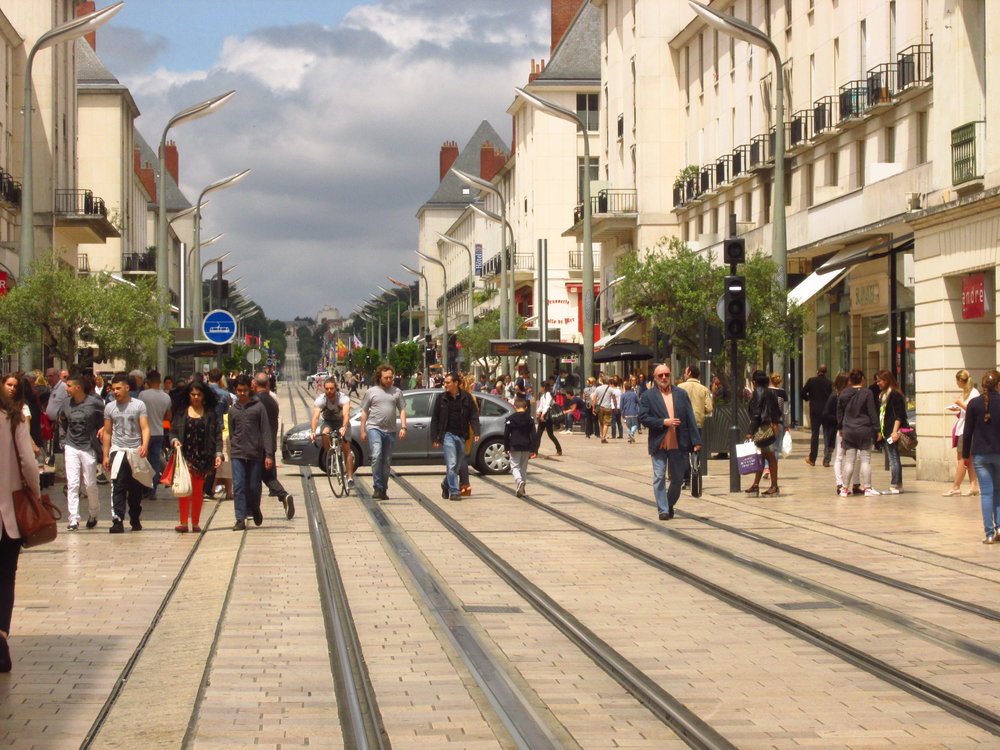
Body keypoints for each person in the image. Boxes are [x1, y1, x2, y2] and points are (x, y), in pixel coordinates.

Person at [1, 382, 42, 673]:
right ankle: (1, 637)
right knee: (5, 578)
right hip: (9, 518)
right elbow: (28, 463)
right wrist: (35, 497)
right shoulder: (12, 418)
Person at [639, 364, 701, 520]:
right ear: (655, 378)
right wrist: (663, 422)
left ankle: (668, 503)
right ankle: (663, 510)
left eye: (666, 374)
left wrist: (696, 440)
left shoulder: (681, 394)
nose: (664, 378)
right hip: (659, 443)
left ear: (671, 375)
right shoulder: (648, 396)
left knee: (678, 479)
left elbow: (690, 418)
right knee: (659, 477)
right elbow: (643, 418)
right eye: (660, 375)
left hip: (678, 443)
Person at [169, 381, 223, 533]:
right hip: (184, 457)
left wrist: (218, 454)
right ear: (188, 395)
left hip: (203, 458)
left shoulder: (210, 414)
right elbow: (172, 432)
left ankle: (196, 522)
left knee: (198, 491)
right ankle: (183, 522)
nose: (196, 397)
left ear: (204, 396)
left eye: (199, 395)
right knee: (184, 489)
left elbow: (217, 435)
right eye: (193, 394)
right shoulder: (181, 412)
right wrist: (174, 441)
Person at [102, 372, 152, 533]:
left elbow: (144, 427)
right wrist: (105, 454)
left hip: (135, 451)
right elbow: (108, 432)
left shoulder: (138, 405)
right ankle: (117, 520)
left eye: (118, 388)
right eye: (113, 389)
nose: (115, 392)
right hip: (118, 451)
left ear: (127, 388)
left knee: (135, 488)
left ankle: (135, 517)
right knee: (118, 486)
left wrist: (144, 445)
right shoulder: (109, 407)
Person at [228, 374, 274, 530]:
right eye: (239, 390)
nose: (242, 393)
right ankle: (240, 518)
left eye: (245, 390)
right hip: (238, 453)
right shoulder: (232, 410)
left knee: (254, 486)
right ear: (235, 390)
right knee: (239, 485)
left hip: (255, 453)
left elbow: (266, 431)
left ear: (250, 390)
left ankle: (255, 507)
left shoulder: (258, 407)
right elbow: (232, 431)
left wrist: (268, 454)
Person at [59, 375, 104, 530]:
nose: (66, 388)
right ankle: (73, 519)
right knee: (72, 483)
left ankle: (93, 513)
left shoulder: (95, 403)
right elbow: (62, 420)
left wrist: (103, 429)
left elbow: (106, 418)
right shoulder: (66, 403)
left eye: (69, 385)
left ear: (78, 387)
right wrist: (64, 438)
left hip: (88, 446)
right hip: (71, 445)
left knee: (90, 483)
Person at [962, 370, 1000, 543]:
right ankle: (999, 527)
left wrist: (965, 456)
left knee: (986, 494)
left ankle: (989, 534)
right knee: (999, 492)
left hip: (980, 455)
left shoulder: (974, 404)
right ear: (998, 385)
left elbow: (967, 432)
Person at [430, 372, 480, 501]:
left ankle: (445, 483)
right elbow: (435, 418)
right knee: (451, 464)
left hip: (462, 435)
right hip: (448, 435)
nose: (445, 385)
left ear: (456, 383)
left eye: (447, 382)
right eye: (444, 382)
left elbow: (473, 416)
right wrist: (435, 437)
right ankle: (454, 491)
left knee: (457, 465)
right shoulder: (442, 398)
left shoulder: (466, 398)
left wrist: (477, 431)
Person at [359, 365, 407, 500]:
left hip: (390, 430)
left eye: (391, 377)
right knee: (376, 455)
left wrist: (404, 427)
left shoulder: (396, 391)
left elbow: (402, 409)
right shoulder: (371, 392)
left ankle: (383, 488)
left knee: (386, 461)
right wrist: (362, 430)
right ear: (379, 378)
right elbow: (364, 411)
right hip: (374, 428)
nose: (389, 380)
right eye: (386, 378)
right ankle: (377, 486)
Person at [254, 372, 296, 517]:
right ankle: (282, 495)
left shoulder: (255, 401)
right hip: (269, 443)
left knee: (253, 478)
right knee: (267, 476)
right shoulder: (272, 400)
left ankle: (253, 510)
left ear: (254, 385)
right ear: (268, 385)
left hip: (257, 445)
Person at [837, 369, 880, 497]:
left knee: (849, 460)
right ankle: (868, 487)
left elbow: (839, 412)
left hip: (849, 429)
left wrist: (840, 427)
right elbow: (872, 412)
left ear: (850, 380)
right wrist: (877, 429)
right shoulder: (867, 393)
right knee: (866, 460)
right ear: (862, 378)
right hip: (864, 429)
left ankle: (844, 488)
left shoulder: (844, 393)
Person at [310, 376, 354, 495]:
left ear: (336, 388)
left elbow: (346, 414)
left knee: (346, 448)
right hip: (328, 422)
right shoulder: (321, 399)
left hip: (341, 422)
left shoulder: (343, 398)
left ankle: (350, 477)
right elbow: (315, 417)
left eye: (331, 389)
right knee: (324, 433)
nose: (329, 391)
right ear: (324, 389)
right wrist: (313, 431)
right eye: (327, 389)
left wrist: (344, 427)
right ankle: (330, 453)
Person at [745, 369, 782, 496]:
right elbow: (777, 410)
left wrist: (750, 431)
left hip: (762, 428)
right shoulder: (770, 391)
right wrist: (775, 423)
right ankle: (756, 485)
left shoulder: (759, 392)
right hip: (768, 426)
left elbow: (756, 412)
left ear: (754, 382)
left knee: (769, 456)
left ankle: (774, 486)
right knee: (762, 456)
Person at [944, 368, 980, 497]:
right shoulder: (966, 393)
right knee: (968, 460)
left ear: (960, 380)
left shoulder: (974, 393)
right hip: (962, 428)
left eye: (957, 381)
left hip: (967, 430)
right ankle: (973, 486)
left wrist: (960, 404)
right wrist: (958, 408)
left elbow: (974, 410)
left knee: (962, 459)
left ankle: (956, 486)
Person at [138, 370, 172, 499]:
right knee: (155, 461)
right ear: (160, 381)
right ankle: (153, 490)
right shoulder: (166, 397)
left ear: (148, 381)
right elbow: (168, 416)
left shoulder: (143, 395)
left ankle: (144, 487)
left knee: (142, 461)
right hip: (159, 432)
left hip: (144, 433)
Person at [677, 364, 713, 487]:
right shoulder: (703, 389)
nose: (684, 373)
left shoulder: (680, 387)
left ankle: (686, 481)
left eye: (686, 371)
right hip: (697, 423)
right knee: (695, 450)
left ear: (690, 373)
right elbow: (709, 408)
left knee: (683, 452)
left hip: (682, 424)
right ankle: (696, 473)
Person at [875, 369, 908, 494]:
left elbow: (899, 415)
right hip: (886, 430)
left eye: (880, 381)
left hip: (892, 431)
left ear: (887, 380)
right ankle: (897, 483)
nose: (878, 383)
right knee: (893, 457)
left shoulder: (894, 394)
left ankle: (895, 484)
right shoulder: (884, 395)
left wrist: (895, 432)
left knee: (893, 458)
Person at [802, 365, 833, 466]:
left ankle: (812, 458)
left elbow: (802, 393)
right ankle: (827, 459)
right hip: (827, 411)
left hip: (815, 411)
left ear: (817, 371)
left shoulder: (811, 381)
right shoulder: (829, 382)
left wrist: (808, 398)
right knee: (827, 434)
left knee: (815, 434)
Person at [504, 398, 534, 497]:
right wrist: (534, 449)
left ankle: (519, 481)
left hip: (515, 445)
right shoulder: (530, 419)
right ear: (526, 407)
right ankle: (522, 487)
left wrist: (506, 447)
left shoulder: (511, 419)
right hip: (526, 445)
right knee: (523, 467)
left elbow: (506, 434)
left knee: (514, 466)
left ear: (515, 407)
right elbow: (534, 434)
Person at [532, 380, 562, 458]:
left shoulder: (548, 394)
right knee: (545, 434)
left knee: (544, 434)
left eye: (541, 387)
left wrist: (543, 414)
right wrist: (538, 411)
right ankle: (558, 449)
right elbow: (541, 406)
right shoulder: (543, 395)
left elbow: (547, 405)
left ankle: (535, 452)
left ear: (544, 387)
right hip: (544, 416)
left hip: (547, 417)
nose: (540, 388)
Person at [592, 377, 618, 444]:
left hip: (600, 407)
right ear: (608, 382)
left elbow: (594, 399)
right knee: (606, 422)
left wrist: (593, 408)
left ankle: (602, 436)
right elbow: (614, 399)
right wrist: (615, 407)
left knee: (601, 423)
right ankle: (603, 437)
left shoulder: (598, 388)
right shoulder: (610, 389)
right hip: (607, 407)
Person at [620, 376, 640, 443]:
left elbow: (621, 405)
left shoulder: (623, 395)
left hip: (626, 413)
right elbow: (639, 402)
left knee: (628, 426)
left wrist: (622, 413)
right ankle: (631, 433)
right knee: (635, 425)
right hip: (634, 412)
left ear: (625, 388)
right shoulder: (634, 394)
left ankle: (629, 438)